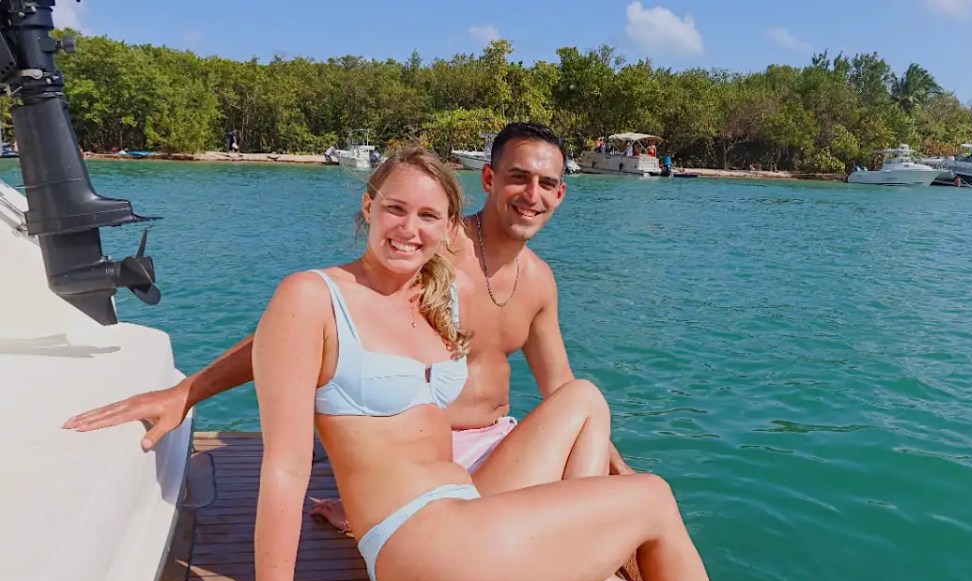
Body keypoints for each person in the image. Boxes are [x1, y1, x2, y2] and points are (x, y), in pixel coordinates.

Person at [240, 145, 745, 581]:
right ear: (368, 206)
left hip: (464, 503)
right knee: (652, 496)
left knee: (583, 398)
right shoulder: (311, 296)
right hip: (421, 558)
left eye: (428, 216)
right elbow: (286, 467)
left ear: (447, 227)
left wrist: (612, 472)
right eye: (395, 209)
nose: (409, 229)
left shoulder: (426, 297)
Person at [64, 122, 635, 534]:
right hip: (426, 458)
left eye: (546, 184)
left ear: (561, 194)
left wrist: (613, 459)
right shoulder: (433, 247)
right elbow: (311, 328)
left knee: (621, 506)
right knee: (607, 523)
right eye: (518, 178)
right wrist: (186, 392)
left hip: (498, 442)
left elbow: (561, 387)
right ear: (489, 178)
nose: (530, 196)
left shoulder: (539, 281)